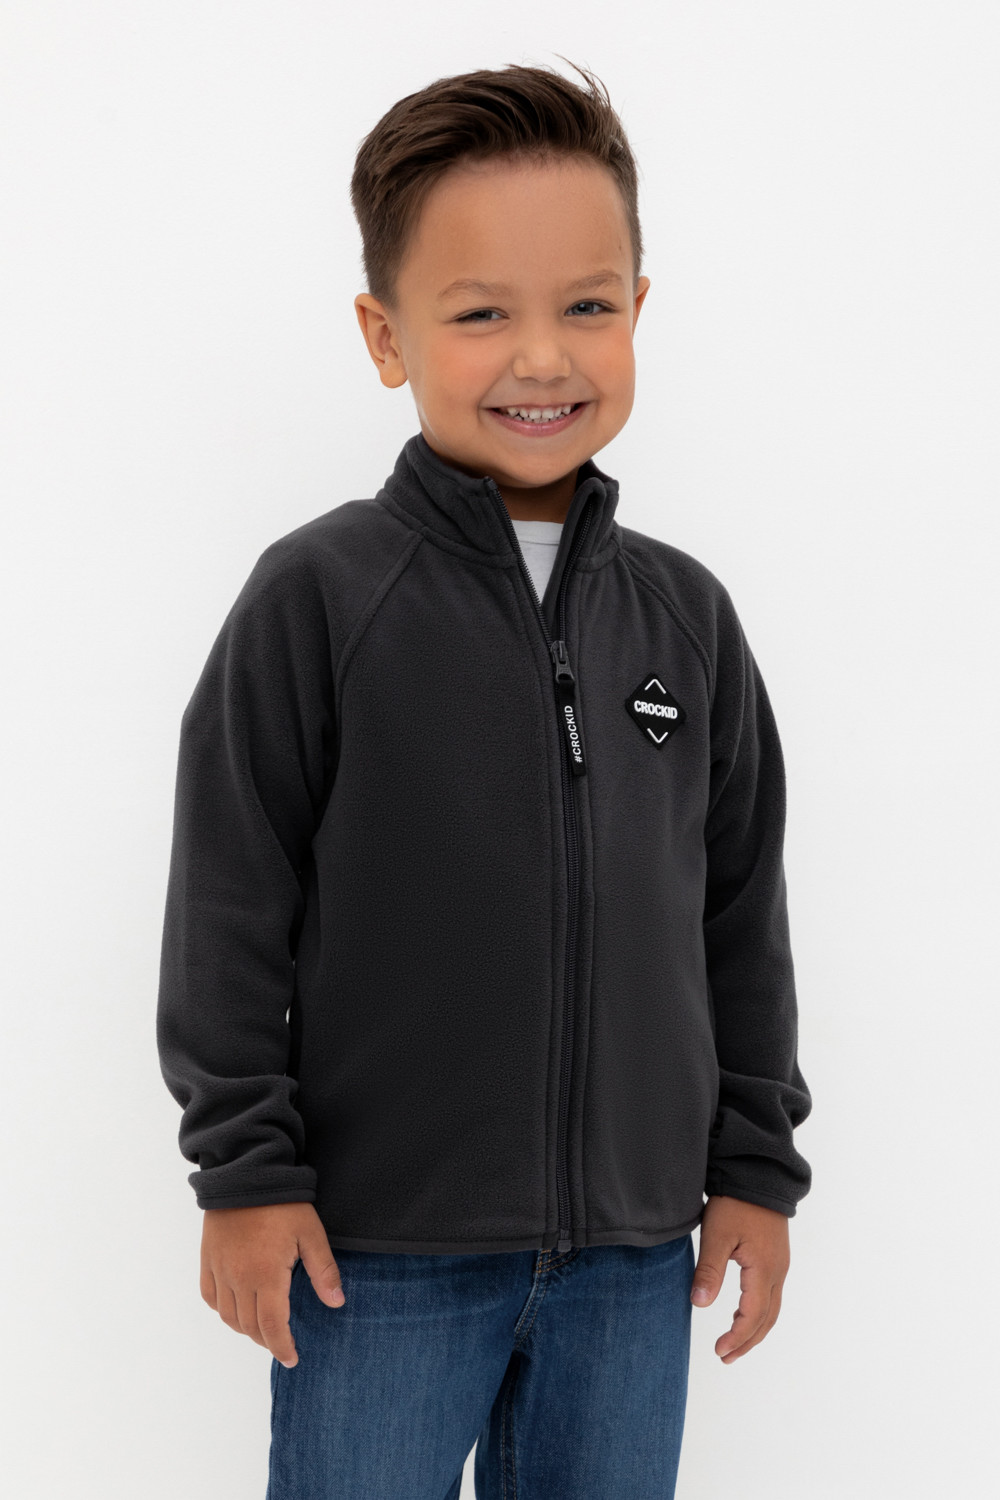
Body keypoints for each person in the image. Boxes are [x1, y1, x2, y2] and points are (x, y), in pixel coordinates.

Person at [157, 58, 812, 1500]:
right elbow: (227, 903)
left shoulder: (686, 619)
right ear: (385, 336)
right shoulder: (320, 599)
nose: (542, 358)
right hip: (378, 1254)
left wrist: (755, 1168)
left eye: (586, 307)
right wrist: (245, 1175)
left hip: (632, 1256)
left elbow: (737, 912)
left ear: (638, 309)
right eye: (479, 315)